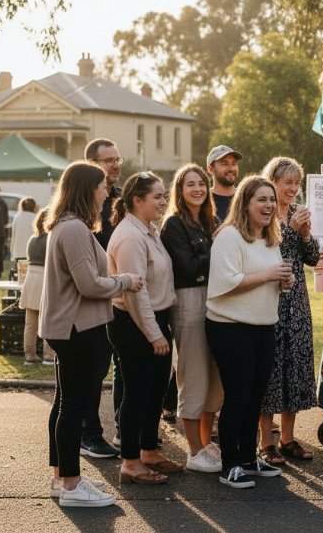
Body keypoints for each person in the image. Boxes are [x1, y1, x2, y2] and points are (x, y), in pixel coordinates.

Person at [40, 161, 143, 507]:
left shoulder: (71, 227)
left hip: (71, 326)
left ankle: (62, 478)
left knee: (65, 403)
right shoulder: (73, 230)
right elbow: (89, 284)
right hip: (77, 327)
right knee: (74, 405)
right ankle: (71, 484)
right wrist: (125, 281)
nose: (106, 193)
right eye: (102, 187)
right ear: (87, 189)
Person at [206, 175, 292, 488]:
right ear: (245, 203)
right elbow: (223, 284)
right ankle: (230, 464)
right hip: (230, 328)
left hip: (262, 327)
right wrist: (268, 273)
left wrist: (281, 282)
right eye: (262, 200)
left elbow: (262, 279)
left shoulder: (270, 239)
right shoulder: (229, 236)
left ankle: (247, 457)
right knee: (238, 396)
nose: (269, 205)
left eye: (271, 200)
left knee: (256, 396)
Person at [107, 172, 181, 484]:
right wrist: (154, 334)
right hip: (134, 325)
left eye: (164, 196)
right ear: (137, 201)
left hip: (156, 320)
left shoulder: (149, 230)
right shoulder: (129, 236)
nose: (164, 202)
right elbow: (135, 293)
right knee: (136, 393)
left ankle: (149, 451)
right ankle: (130, 462)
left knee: (155, 391)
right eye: (158, 197)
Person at [257, 157, 320, 465]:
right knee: (270, 368)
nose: (293, 188)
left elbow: (311, 257)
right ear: (273, 182)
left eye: (297, 183)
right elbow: (269, 252)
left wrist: (306, 234)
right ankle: (265, 442)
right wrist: (292, 230)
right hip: (269, 297)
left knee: (293, 364)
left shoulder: (297, 213)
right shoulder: (263, 214)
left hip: (297, 301)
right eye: (288, 182)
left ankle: (288, 438)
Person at [160, 164, 223, 473]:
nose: (198, 188)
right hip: (190, 300)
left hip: (217, 299)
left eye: (201, 183)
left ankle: (206, 441)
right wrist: (218, 245)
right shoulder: (173, 225)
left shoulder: (212, 221)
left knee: (215, 377)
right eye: (190, 184)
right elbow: (187, 268)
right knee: (194, 374)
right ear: (180, 191)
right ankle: (194, 450)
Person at [83, 137, 124, 459]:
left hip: (124, 294)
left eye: (117, 159)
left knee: (123, 366)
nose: (115, 165)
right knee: (93, 369)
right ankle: (89, 434)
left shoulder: (124, 199)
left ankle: (126, 429)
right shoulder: (84, 205)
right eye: (107, 160)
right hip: (95, 295)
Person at [20, 210, 55, 365]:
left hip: (31, 279)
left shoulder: (32, 239)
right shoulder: (50, 239)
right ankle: (48, 354)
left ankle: (29, 354)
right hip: (44, 279)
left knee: (31, 322)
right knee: (48, 320)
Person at [207, 145, 241, 222]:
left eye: (234, 163)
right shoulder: (204, 200)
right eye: (225, 164)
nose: (231, 168)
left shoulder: (245, 198)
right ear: (211, 169)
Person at [11, 197, 37, 262]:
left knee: (20, 271)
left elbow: (13, 235)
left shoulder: (17, 217)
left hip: (18, 253)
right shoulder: (36, 217)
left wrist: (12, 253)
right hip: (32, 253)